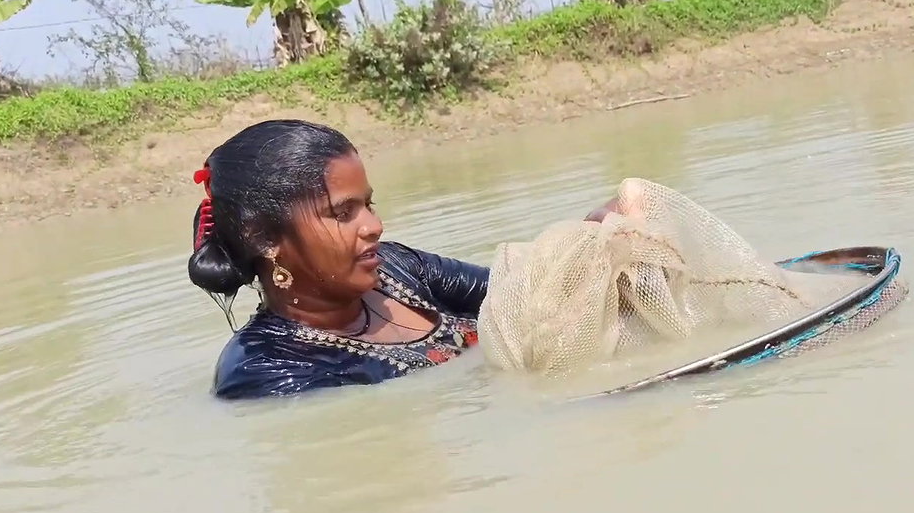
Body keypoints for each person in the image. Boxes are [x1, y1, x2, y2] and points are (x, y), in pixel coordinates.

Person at [187, 119, 617, 400]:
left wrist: (593, 236)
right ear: (264, 237)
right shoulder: (269, 371)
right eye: (342, 213)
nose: (374, 226)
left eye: (368, 206)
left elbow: (526, 290)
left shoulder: (395, 269)